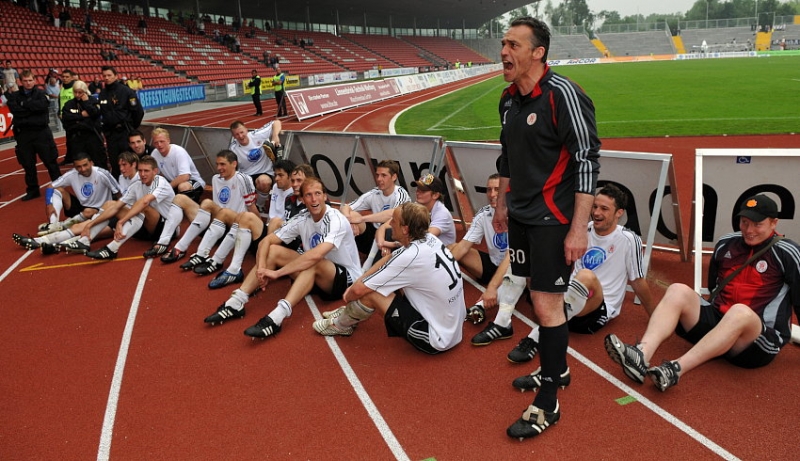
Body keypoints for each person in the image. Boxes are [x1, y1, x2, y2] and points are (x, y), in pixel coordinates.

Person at [493, 17, 600, 440]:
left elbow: (587, 160)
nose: (504, 52)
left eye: (513, 45)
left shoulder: (563, 94)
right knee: (533, 293)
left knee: (545, 305)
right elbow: (507, 158)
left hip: (554, 219)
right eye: (503, 43)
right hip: (520, 215)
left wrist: (579, 228)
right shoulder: (507, 100)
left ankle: (549, 401)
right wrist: (502, 205)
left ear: (538, 53)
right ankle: (560, 368)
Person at [604, 194, 800, 392]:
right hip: (720, 326)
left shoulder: (788, 252)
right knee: (677, 289)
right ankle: (641, 354)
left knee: (739, 311)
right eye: (744, 222)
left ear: (774, 223)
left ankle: (675, 369)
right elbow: (714, 287)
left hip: (756, 342)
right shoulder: (726, 244)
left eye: (757, 224)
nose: (749, 230)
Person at [474, 185, 655, 373]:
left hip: (593, 312)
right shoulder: (583, 229)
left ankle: (535, 337)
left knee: (585, 275)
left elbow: (638, 281)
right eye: (594, 207)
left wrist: (654, 316)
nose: (596, 213)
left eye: (604, 209)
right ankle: (502, 322)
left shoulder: (628, 239)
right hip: (566, 300)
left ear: (619, 213)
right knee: (524, 258)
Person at [203, 177, 362, 341]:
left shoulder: (335, 219)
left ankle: (277, 317)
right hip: (312, 275)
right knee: (273, 251)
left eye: (317, 194)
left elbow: (315, 255)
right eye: (308, 195)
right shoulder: (303, 218)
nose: (314, 199)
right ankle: (237, 301)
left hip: (344, 280)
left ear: (325, 196)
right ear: (302, 199)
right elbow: (266, 241)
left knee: (314, 261)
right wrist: (261, 270)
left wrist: (278, 273)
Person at [312, 202, 465, 354]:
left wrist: (350, 295)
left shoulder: (410, 257)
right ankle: (350, 312)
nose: (390, 224)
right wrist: (360, 280)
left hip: (436, 338)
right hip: (453, 326)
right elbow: (389, 257)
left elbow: (359, 290)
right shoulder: (429, 239)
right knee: (383, 282)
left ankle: (340, 325)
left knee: (372, 292)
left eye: (394, 221)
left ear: (405, 229)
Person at [161, 150, 257, 263]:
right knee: (179, 198)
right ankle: (163, 241)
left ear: (234, 164)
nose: (219, 168)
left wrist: (258, 231)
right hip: (217, 225)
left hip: (234, 225)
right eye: (217, 164)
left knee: (207, 203)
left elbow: (251, 206)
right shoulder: (215, 179)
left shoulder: (242, 178)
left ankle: (183, 248)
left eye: (223, 164)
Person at [82, 155, 181, 260]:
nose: (142, 174)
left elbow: (144, 202)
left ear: (155, 171)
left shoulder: (160, 182)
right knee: (111, 204)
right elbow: (116, 207)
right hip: (146, 229)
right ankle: (85, 241)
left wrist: (121, 222)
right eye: (140, 171)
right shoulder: (136, 185)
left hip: (168, 229)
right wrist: (90, 224)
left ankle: (112, 248)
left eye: (146, 171)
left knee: (142, 207)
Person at [447, 173, 508, 322]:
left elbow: (511, 257)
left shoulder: (519, 215)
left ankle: (481, 305)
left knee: (516, 269)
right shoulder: (484, 214)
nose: (492, 194)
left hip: (515, 268)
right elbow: (463, 247)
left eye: (497, 189)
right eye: (489, 190)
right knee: (452, 248)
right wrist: (436, 272)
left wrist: (491, 288)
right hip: (494, 266)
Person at [5, 69, 62, 201]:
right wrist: (31, 109)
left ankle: (60, 187)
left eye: (30, 80)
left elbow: (42, 107)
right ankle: (33, 190)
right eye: (25, 81)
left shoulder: (41, 93)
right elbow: (16, 111)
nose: (28, 83)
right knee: (28, 164)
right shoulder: (15, 96)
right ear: (20, 81)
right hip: (24, 135)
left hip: (41, 133)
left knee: (50, 162)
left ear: (35, 80)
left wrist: (24, 105)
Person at [339, 159, 411, 256]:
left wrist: (362, 219)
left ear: (394, 177)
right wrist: (350, 220)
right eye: (377, 175)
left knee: (388, 229)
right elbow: (345, 207)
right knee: (351, 215)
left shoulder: (401, 193)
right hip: (373, 234)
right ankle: (348, 258)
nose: (379, 179)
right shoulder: (374, 193)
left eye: (383, 175)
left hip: (393, 234)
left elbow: (394, 214)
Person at [35, 152, 119, 235]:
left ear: (91, 163)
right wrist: (49, 204)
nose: (83, 169)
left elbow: (118, 192)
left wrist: (119, 212)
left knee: (88, 211)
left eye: (85, 165)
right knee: (57, 190)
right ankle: (53, 225)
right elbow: (50, 186)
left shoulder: (102, 174)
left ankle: (62, 226)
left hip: (100, 210)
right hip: (81, 207)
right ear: (74, 167)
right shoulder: (71, 174)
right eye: (79, 167)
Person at [376, 174, 455, 255]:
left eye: (423, 191)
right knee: (390, 232)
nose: (418, 192)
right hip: (421, 251)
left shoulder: (442, 214)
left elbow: (422, 239)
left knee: (397, 236)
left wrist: (391, 244)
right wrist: (382, 244)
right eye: (418, 188)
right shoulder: (417, 206)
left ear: (435, 195)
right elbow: (385, 226)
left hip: (435, 256)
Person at [98, 65, 144, 178]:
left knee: (129, 162)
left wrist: (131, 128)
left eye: (109, 75)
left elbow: (138, 112)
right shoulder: (103, 94)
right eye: (104, 76)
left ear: (116, 76)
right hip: (111, 135)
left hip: (125, 133)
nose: (106, 78)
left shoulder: (126, 91)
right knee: (115, 163)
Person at [228, 119, 281, 214]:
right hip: (246, 175)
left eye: (242, 132)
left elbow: (276, 122)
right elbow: (231, 167)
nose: (240, 136)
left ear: (246, 130)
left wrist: (275, 136)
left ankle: (260, 205)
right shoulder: (233, 148)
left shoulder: (257, 135)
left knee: (264, 182)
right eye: (237, 134)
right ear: (233, 136)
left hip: (264, 171)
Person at [150, 127, 206, 203]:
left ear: (168, 140)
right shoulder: (154, 154)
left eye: (162, 141)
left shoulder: (178, 152)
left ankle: (192, 207)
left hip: (193, 182)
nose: (159, 145)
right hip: (173, 184)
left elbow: (185, 176)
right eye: (156, 142)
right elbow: (157, 174)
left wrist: (167, 188)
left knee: (183, 186)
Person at [61, 80, 107, 170]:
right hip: (77, 139)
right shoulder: (69, 104)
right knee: (80, 164)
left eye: (80, 92)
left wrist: (86, 102)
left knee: (99, 163)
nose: (77, 95)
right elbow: (66, 120)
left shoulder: (93, 101)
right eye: (75, 92)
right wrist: (81, 116)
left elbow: (95, 115)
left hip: (93, 137)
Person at [266, 158, 297, 234]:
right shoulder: (275, 187)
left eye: (280, 175)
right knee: (248, 217)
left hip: (283, 230)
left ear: (290, 176)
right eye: (275, 175)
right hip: (270, 225)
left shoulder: (295, 192)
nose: (276, 178)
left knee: (275, 221)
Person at [58, 69, 78, 164]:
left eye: (67, 77)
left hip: (74, 118)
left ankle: (78, 158)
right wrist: (59, 112)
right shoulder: (62, 89)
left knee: (76, 140)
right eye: (63, 77)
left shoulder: (75, 89)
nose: (65, 79)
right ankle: (69, 158)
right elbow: (60, 101)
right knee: (69, 140)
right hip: (65, 119)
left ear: (72, 77)